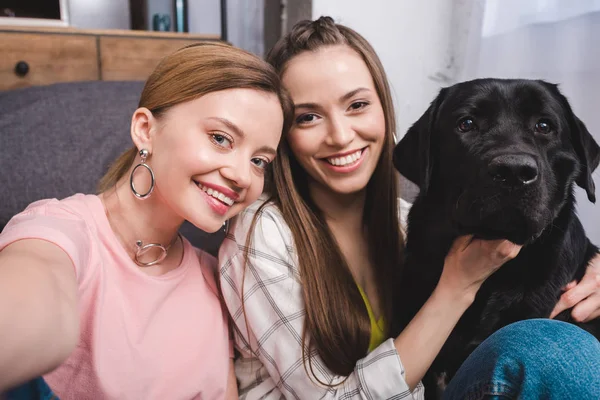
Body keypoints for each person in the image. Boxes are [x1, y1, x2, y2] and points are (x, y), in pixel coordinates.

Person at [218, 17, 600, 399]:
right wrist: (456, 286)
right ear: (283, 134)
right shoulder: (262, 235)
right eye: (308, 117)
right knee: (551, 349)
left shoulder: (408, 224)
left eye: (357, 105)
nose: (339, 135)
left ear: (384, 110)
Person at [0, 42, 292, 399]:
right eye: (220, 138)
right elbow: (32, 301)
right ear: (144, 129)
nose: (243, 177)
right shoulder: (60, 229)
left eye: (259, 161)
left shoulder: (213, 279)